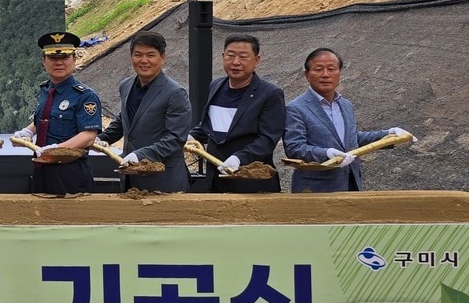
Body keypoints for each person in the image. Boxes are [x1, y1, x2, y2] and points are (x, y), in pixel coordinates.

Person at [283, 48, 414, 192]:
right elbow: (295, 148)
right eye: (318, 69)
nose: (326, 75)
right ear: (307, 75)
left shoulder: (345, 105)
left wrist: (389, 135)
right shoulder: (296, 108)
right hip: (316, 188)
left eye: (331, 69)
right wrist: (326, 153)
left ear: (339, 73)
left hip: (351, 182)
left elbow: (353, 139)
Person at [94, 32, 191, 193]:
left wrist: (141, 155)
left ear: (162, 57)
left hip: (163, 181)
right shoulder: (126, 85)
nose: (144, 61)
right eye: (138, 55)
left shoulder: (175, 93)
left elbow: (175, 138)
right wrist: (103, 138)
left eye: (150, 55)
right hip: (130, 179)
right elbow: (124, 118)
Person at [190, 34, 285, 193]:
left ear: (257, 60)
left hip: (251, 182)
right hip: (216, 180)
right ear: (223, 57)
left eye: (243, 57)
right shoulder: (216, 86)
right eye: (231, 55)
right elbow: (210, 127)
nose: (236, 62)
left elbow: (267, 140)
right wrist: (192, 136)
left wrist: (239, 158)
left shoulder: (270, 94)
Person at [13, 32, 102, 195]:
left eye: (65, 57)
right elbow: (46, 118)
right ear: (43, 61)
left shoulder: (85, 96)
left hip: (70, 172)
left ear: (74, 59)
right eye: (53, 58)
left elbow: (88, 135)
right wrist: (28, 130)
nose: (59, 62)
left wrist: (56, 150)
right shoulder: (46, 90)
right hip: (41, 169)